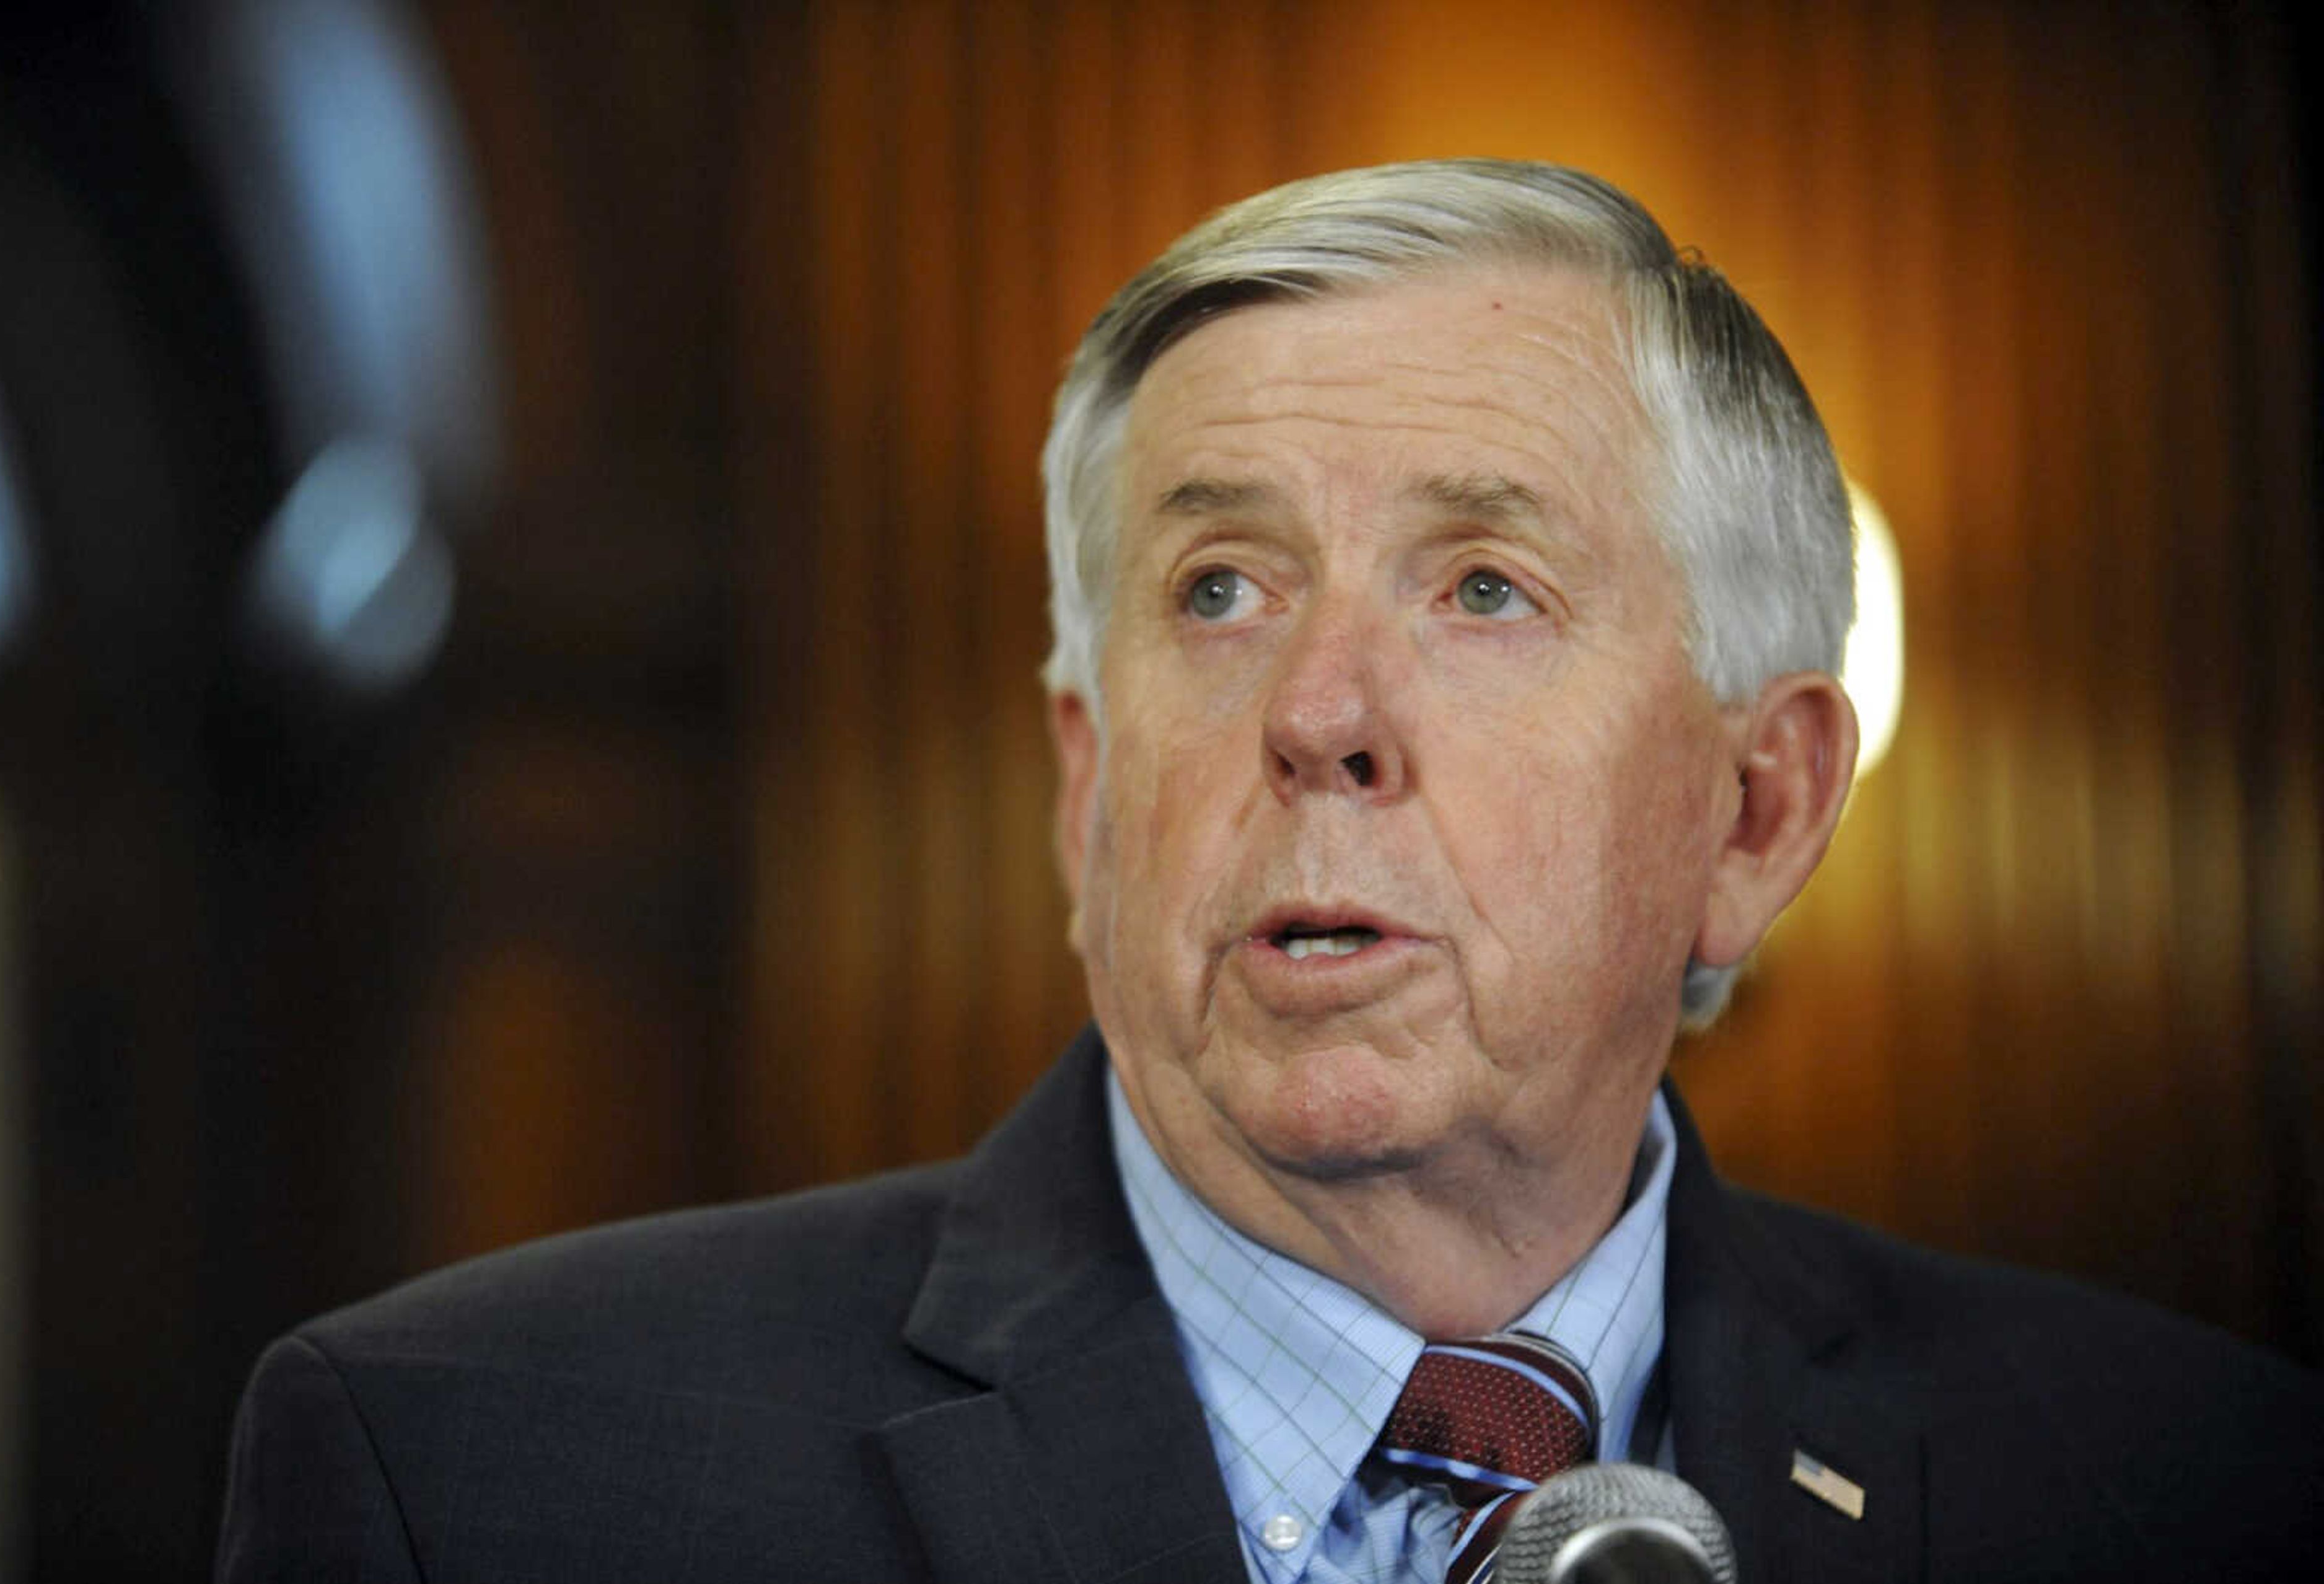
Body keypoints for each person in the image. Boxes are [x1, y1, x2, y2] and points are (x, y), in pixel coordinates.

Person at [217, 160, 2322, 1583]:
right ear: (1086, 784)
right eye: (1219, 586)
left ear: (1755, 811)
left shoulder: (2187, 1477)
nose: (1321, 711)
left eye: (1484, 587)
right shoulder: (479, 1475)